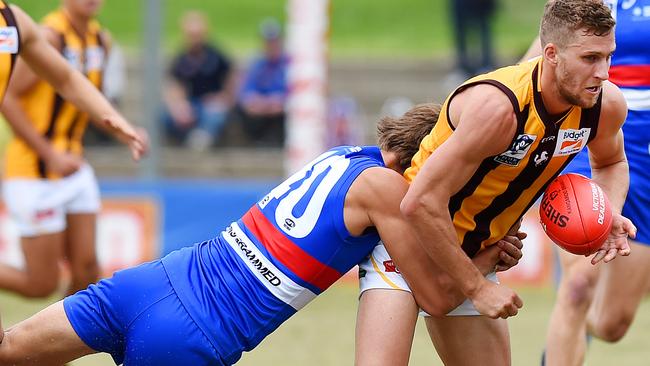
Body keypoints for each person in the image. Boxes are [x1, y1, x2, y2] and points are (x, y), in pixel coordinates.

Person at [0, 103, 526, 366]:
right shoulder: (388, 191)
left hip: (151, 281)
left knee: (10, 347)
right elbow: (435, 297)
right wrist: (481, 264)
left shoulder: (343, 157)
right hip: (194, 336)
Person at [356, 1, 634, 365]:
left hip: (476, 254)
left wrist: (608, 211)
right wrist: (477, 288)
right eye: (590, 59)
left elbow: (611, 161)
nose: (603, 72)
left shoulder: (603, 105)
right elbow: (418, 203)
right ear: (551, 54)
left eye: (608, 56)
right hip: (407, 245)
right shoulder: (500, 108)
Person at [521, 1, 650, 365]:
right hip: (592, 137)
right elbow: (539, 59)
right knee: (578, 287)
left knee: (612, 323)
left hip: (644, 161)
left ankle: (579, 328)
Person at [0, 1, 146, 298]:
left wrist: (122, 126)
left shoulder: (99, 40)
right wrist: (49, 154)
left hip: (74, 164)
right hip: (35, 169)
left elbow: (73, 86)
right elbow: (9, 98)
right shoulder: (51, 34)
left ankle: (58, 342)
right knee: (42, 283)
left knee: (88, 271)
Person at [162, 10, 236, 150]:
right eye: (191, 35)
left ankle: (201, 138)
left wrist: (222, 98)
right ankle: (188, 140)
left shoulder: (217, 56)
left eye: (197, 35)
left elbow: (231, 82)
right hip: (191, 104)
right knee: (164, 117)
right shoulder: (181, 58)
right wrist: (180, 106)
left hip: (211, 105)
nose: (195, 39)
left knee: (215, 115)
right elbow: (175, 85)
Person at [235, 18, 289, 147]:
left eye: (274, 41)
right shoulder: (256, 64)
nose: (271, 45)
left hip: (281, 110)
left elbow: (295, 91)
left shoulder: (289, 64)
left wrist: (279, 101)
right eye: (268, 41)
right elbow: (246, 92)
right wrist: (259, 102)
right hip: (261, 110)